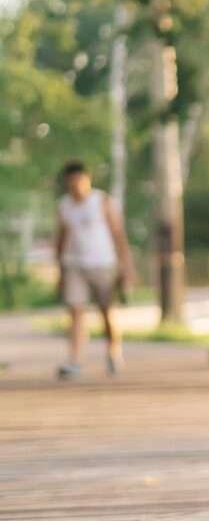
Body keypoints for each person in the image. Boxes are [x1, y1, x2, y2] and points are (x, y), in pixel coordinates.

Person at [54, 160, 133, 379]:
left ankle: (113, 352)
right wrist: (59, 269)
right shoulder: (64, 206)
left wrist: (126, 267)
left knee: (107, 312)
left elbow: (118, 235)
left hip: (104, 264)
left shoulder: (102, 201)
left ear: (87, 179)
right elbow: (60, 239)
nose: (75, 187)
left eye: (78, 182)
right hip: (74, 265)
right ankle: (75, 361)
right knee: (76, 312)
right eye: (71, 184)